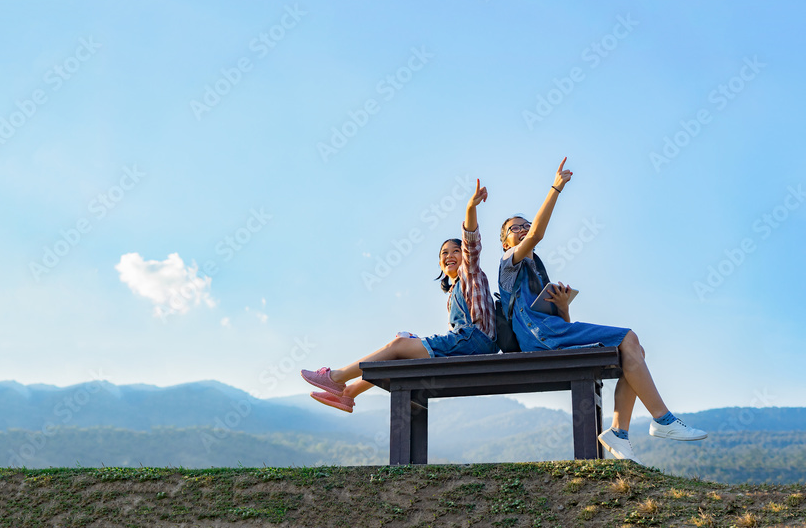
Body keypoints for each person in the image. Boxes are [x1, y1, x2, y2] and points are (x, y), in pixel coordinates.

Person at [497, 157, 706, 463]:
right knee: (628, 337)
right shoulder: (508, 262)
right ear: (505, 241)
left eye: (525, 225)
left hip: (551, 332)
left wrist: (563, 306)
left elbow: (560, 326)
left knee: (635, 349)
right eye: (515, 228)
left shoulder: (537, 269)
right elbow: (537, 236)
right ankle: (663, 421)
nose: (523, 230)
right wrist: (556, 187)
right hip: (538, 337)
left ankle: (618, 433)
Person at [301, 179, 499, 412]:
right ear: (439, 263)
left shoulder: (470, 273)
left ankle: (336, 377)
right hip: (467, 342)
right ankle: (348, 394)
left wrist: (470, 208)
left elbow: (471, 244)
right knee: (402, 344)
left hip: (476, 340)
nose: (450, 255)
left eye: (456, 251)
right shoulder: (454, 292)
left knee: (398, 345)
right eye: (444, 253)